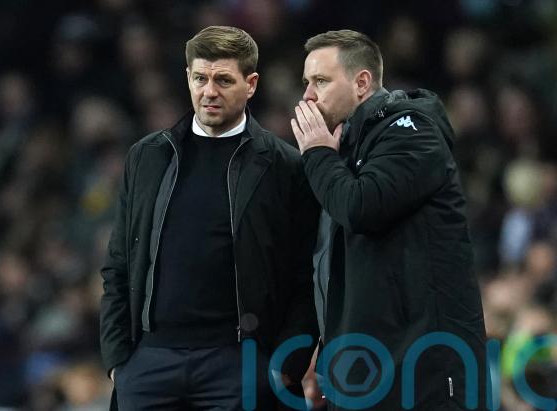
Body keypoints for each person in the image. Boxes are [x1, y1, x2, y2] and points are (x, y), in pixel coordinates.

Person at [100, 25, 320, 410]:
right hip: (150, 362)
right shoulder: (147, 156)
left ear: (251, 84)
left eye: (223, 80)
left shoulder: (284, 166)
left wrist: (284, 367)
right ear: (188, 78)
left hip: (240, 364)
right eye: (200, 78)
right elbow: (119, 263)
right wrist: (119, 361)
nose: (209, 91)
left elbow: (305, 274)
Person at [291, 29, 487, 410]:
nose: (308, 96)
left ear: (362, 83)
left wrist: (317, 154)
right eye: (306, 83)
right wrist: (328, 346)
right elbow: (334, 267)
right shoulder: (343, 153)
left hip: (425, 370)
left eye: (321, 81)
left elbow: (361, 208)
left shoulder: (412, 130)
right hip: (369, 366)